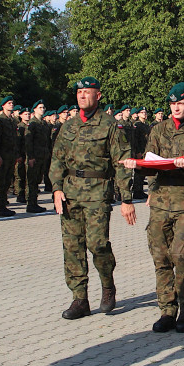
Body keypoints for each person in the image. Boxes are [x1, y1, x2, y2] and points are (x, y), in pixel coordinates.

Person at [124, 82, 184, 333]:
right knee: (161, 256)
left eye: (181, 103)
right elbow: (151, 161)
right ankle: (167, 311)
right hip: (161, 201)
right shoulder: (158, 130)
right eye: (172, 103)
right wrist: (141, 172)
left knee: (182, 255)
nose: (176, 107)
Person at [50, 77, 135, 319]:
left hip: (98, 192)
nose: (82, 95)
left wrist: (126, 199)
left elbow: (122, 163)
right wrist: (56, 189)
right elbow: (57, 159)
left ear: (98, 95)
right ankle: (80, 299)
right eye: (79, 92)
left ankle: (107, 286)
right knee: (72, 247)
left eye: (87, 92)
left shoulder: (110, 126)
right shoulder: (68, 127)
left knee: (97, 244)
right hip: (70, 193)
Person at [0, 95, 19, 217]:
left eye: (12, 103)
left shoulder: (13, 121)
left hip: (11, 155)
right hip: (2, 155)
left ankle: (3, 205)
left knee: (7, 181)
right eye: (9, 103)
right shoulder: (0, 120)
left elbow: (15, 139)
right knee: (0, 182)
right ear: (3, 105)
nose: (11, 105)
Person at [24, 100, 51, 213]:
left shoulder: (44, 124)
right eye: (40, 107)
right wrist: (30, 157)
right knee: (32, 181)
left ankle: (35, 203)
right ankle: (31, 204)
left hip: (42, 156)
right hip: (34, 157)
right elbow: (28, 141)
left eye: (43, 107)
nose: (43, 109)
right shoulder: (32, 123)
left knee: (38, 180)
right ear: (34, 109)